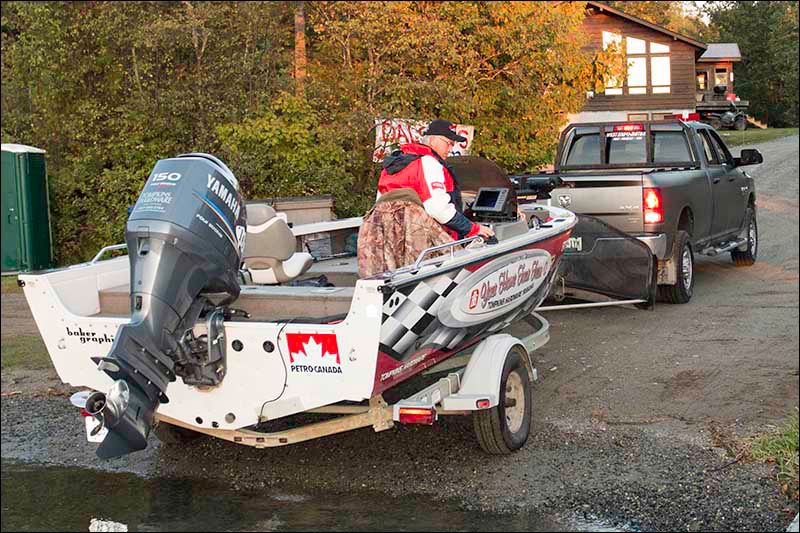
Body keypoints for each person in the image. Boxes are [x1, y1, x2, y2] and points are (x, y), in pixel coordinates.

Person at [357, 119, 494, 278]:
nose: (451, 149)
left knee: (393, 277)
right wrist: (473, 229)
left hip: (385, 234)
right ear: (434, 139)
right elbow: (438, 209)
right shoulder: (429, 162)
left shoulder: (393, 165)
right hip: (416, 238)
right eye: (449, 143)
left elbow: (380, 202)